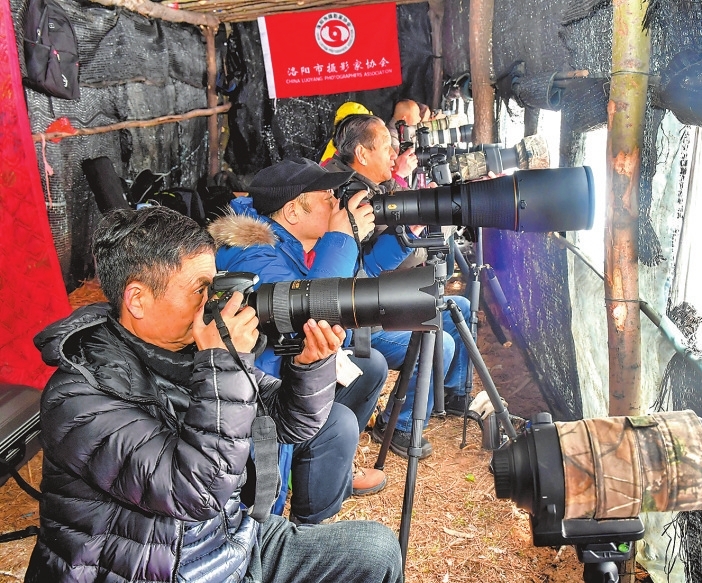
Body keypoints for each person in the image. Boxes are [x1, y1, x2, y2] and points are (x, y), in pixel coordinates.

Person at [24, 205, 403, 583]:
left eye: (215, 285)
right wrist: (222, 364)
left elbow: (291, 423)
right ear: (137, 299)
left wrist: (309, 365)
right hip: (150, 570)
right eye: (200, 290)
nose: (215, 302)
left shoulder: (189, 350)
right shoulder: (78, 398)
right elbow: (197, 493)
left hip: (228, 542)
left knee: (377, 550)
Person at [209, 161, 392, 519]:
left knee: (369, 366)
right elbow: (314, 317)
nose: (336, 203)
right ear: (293, 211)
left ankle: (332, 469)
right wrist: (342, 238)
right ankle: (304, 528)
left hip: (290, 371)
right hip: (263, 399)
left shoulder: (291, 244)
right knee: (339, 423)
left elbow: (357, 283)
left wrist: (398, 238)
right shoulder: (253, 256)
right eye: (327, 197)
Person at [324, 114, 473, 459]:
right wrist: (415, 229)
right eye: (386, 147)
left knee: (459, 309)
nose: (395, 155)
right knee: (439, 342)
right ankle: (398, 425)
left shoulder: (369, 187)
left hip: (380, 293)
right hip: (362, 312)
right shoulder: (350, 198)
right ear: (362, 154)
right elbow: (372, 266)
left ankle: (450, 392)